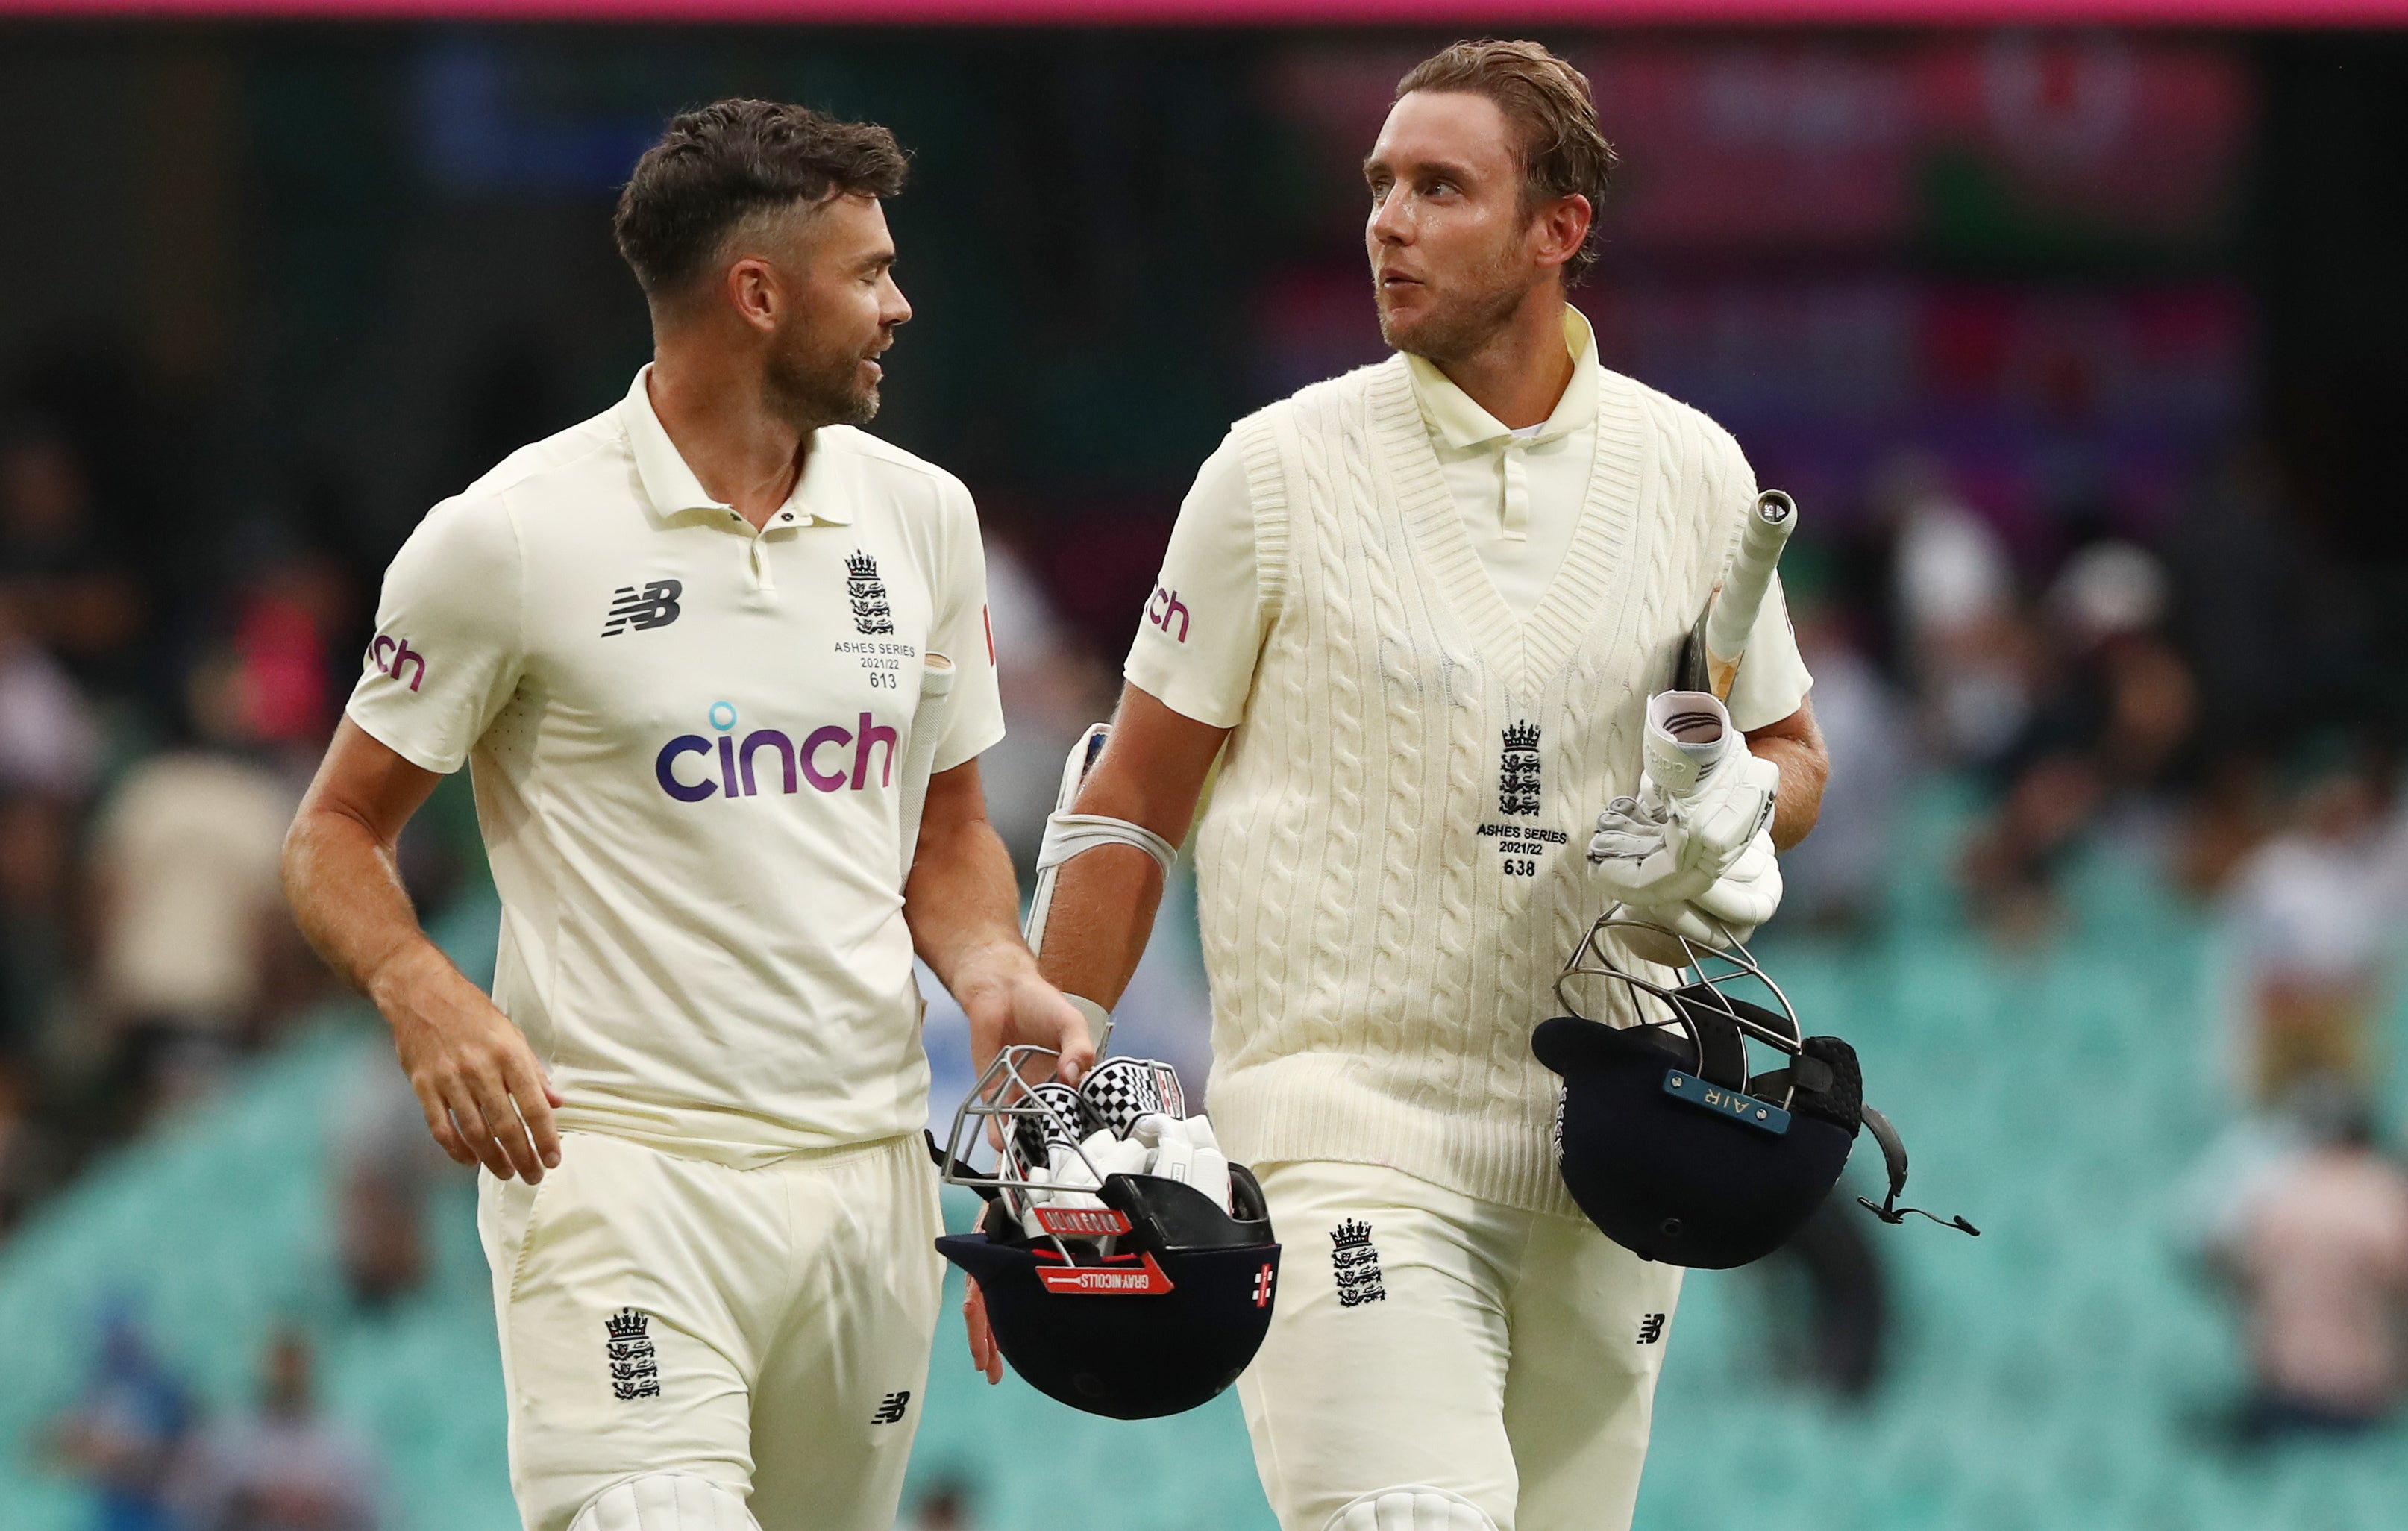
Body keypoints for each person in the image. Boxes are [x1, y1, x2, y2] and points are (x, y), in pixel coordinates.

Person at [996, 41, 1826, 1531]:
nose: (1387, 218)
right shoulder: (1272, 471)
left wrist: (1741, 811)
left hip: (1611, 1145)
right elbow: (1127, 804)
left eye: (1441, 187)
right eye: (1380, 185)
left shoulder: (1695, 474)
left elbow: (1787, 754)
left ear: (1556, 228)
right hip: (1343, 1129)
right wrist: (1035, 1148)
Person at [280, 100, 1086, 1531]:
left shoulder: (927, 520)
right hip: (621, 1172)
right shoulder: (510, 536)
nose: (900, 305)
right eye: (870, 272)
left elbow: (947, 830)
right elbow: (331, 832)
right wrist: (422, 991)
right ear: (758, 294)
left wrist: (989, 973)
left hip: (865, 1178)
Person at [168, 1327, 381, 1531]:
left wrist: (322, 1506)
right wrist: (253, 1501)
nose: (288, 1374)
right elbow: (184, 1505)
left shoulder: (346, 1440)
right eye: (281, 1363)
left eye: (296, 1363)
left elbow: (373, 1514)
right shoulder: (227, 1434)